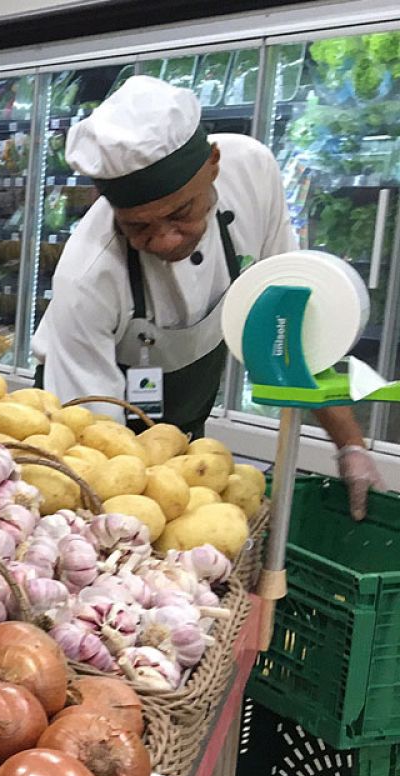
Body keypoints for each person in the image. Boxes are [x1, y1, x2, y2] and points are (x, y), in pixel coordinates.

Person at [31, 75, 385, 518]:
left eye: (181, 213)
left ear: (213, 164)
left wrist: (349, 444)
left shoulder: (252, 174)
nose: (163, 240)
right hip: (90, 422)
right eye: (138, 226)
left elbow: (288, 322)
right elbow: (94, 454)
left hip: (185, 435)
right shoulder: (87, 276)